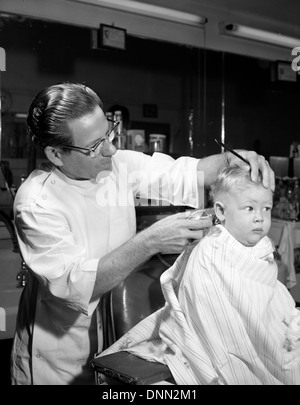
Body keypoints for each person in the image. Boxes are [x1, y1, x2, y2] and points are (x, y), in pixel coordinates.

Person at [11, 81, 274, 385]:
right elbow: (76, 286)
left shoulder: (117, 166)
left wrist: (233, 159)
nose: (111, 149)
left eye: (108, 134)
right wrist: (150, 241)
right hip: (59, 362)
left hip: (119, 343)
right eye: (95, 146)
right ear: (56, 154)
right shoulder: (36, 203)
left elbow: (187, 174)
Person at [99, 165, 300, 385]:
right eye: (250, 208)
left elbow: (269, 297)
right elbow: (213, 314)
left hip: (265, 333)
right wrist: (261, 338)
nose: (260, 218)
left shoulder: (262, 248)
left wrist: (278, 327)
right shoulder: (210, 253)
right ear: (221, 212)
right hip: (227, 341)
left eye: (267, 209)